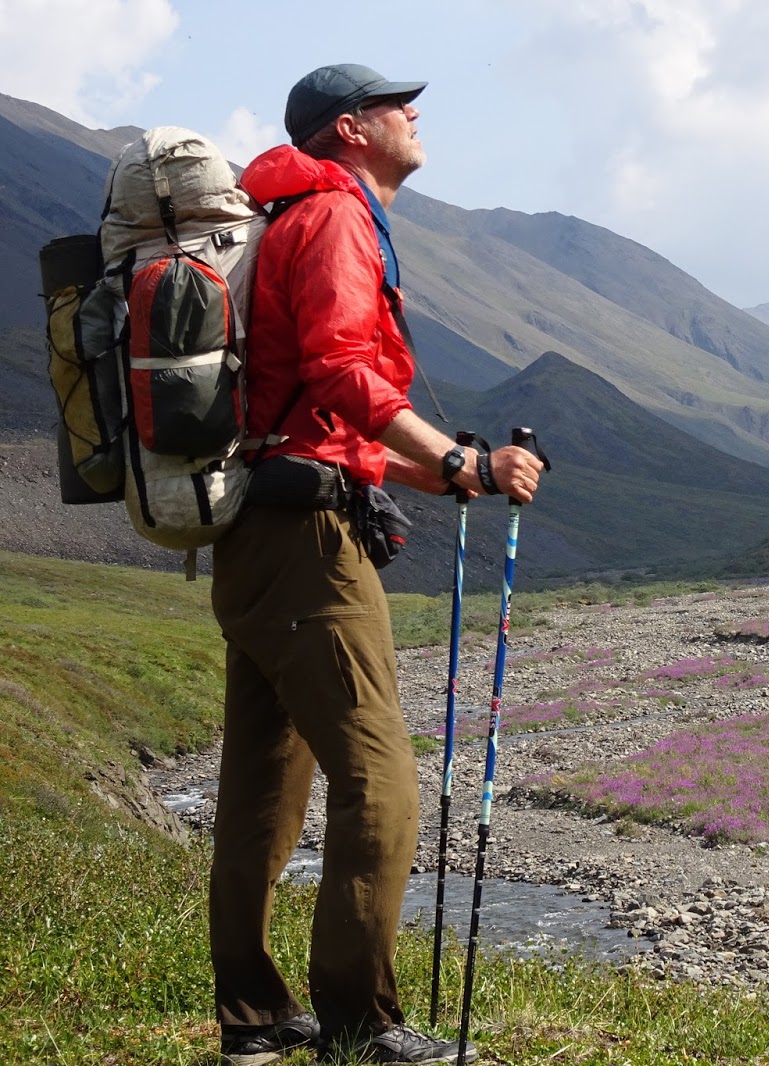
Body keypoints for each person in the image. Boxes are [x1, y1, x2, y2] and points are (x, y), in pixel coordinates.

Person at [209, 64, 543, 1066]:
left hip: (259, 532)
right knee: (383, 782)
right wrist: (457, 457)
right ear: (350, 129)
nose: (416, 114)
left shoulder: (294, 212)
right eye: (400, 105)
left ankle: (256, 1020)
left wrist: (451, 480)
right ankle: (361, 1023)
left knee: (265, 784)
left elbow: (319, 417)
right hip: (308, 544)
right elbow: (342, 370)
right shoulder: (334, 215)